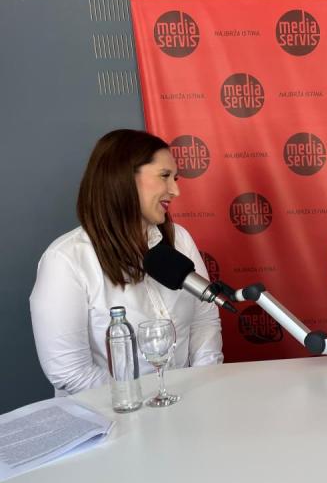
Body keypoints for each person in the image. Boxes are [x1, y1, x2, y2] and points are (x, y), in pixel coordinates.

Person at [30, 129, 223, 395]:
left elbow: (204, 320)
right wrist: (143, 402)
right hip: (112, 413)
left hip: (186, 402)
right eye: (164, 176)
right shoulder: (65, 260)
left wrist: (202, 386)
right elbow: (70, 372)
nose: (175, 190)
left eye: (175, 178)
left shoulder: (180, 239)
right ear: (122, 177)